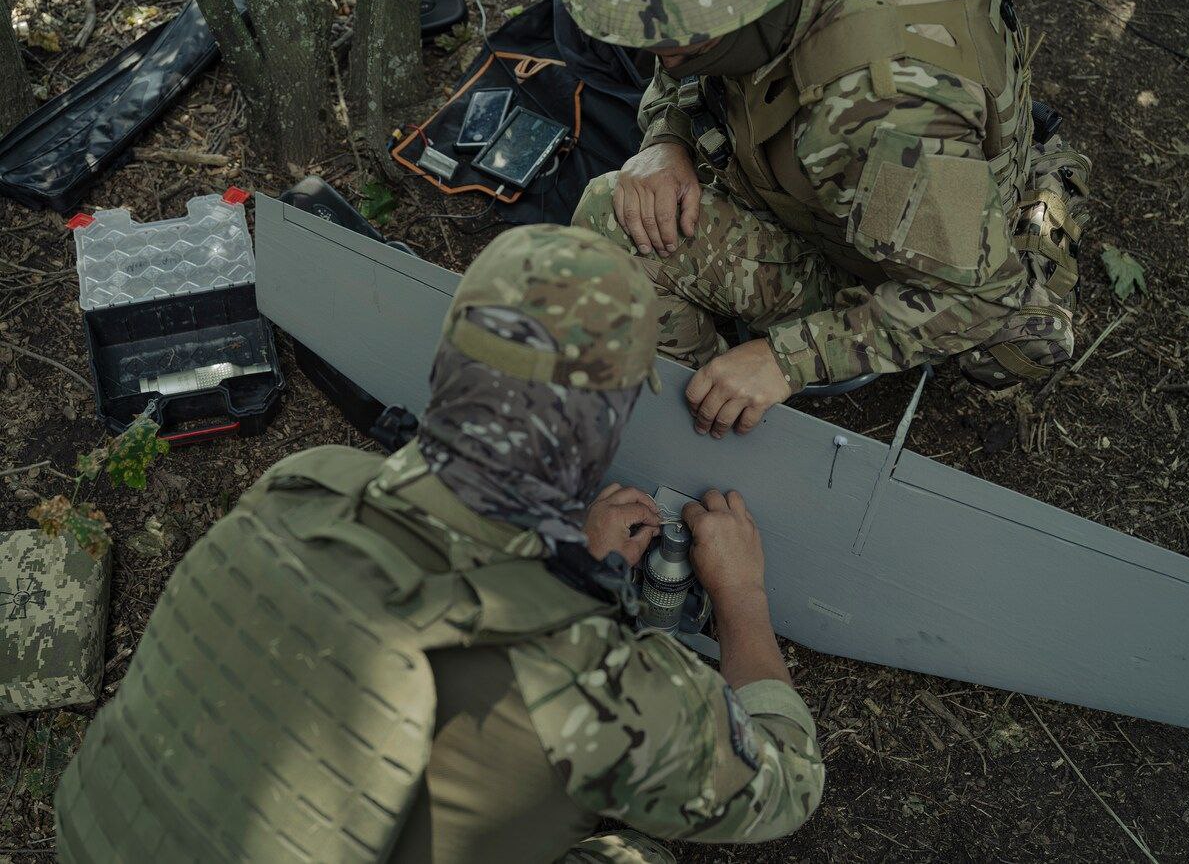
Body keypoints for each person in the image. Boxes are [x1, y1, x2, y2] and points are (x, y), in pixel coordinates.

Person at [55, 225, 823, 864]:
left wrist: (566, 561)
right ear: (607, 427)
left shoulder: (305, 484)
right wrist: (742, 596)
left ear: (445, 364)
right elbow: (787, 784)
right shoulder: (590, 679)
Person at [566, 0, 1091, 438]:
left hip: (924, 257)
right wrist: (667, 136)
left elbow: (979, 295)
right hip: (894, 185)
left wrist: (783, 360)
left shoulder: (883, 113)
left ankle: (700, 423)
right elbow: (684, 56)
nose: (646, 49)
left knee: (611, 226)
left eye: (668, 35)